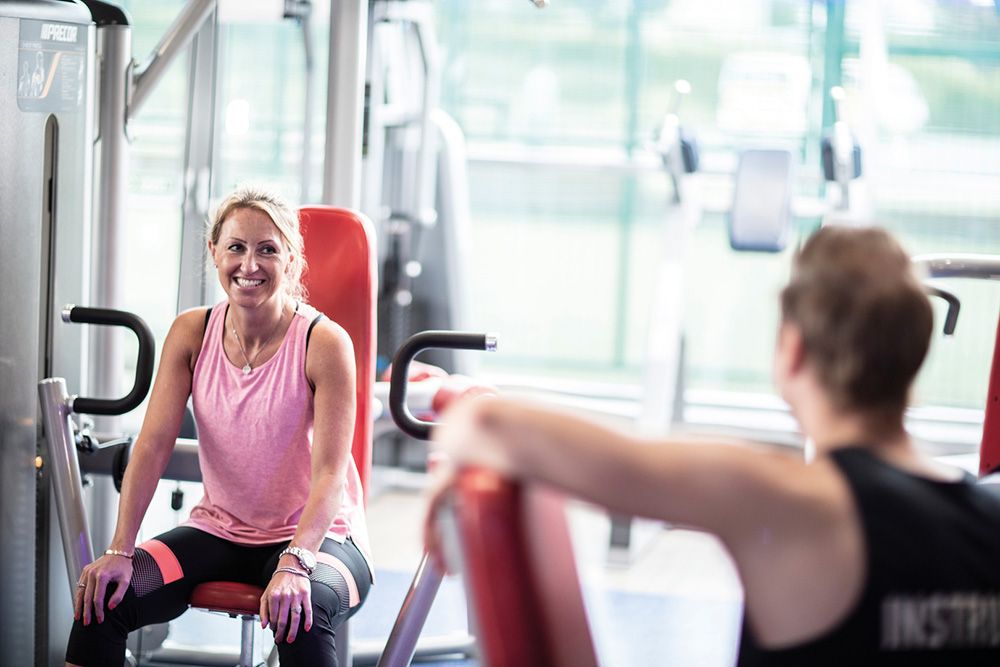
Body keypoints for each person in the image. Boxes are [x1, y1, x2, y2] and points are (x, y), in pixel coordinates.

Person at [431, 225, 1000, 666]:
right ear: (917, 354)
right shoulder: (989, 513)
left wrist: (447, 463)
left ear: (793, 351)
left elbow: (487, 425)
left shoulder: (788, 501)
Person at [67, 185, 372, 667]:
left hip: (319, 541)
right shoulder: (192, 332)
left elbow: (332, 474)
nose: (249, 265)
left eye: (267, 250)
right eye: (236, 247)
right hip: (220, 532)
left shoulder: (323, 341)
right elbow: (151, 447)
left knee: (303, 611)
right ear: (215, 252)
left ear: (291, 261)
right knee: (101, 602)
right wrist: (119, 549)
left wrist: (296, 562)